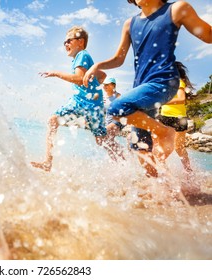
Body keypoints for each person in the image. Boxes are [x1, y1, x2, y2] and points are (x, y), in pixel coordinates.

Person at [82, 0, 211, 176]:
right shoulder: (130, 24)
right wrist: (98, 65)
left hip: (164, 81)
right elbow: (119, 59)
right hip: (142, 87)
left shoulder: (176, 9)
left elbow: (208, 35)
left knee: (117, 108)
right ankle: (157, 189)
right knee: (140, 147)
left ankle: (165, 132)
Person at [31, 26, 107, 172]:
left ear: (80, 42)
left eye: (69, 41)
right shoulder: (83, 57)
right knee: (102, 140)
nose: (65, 44)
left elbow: (78, 79)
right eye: (64, 42)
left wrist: (56, 73)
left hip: (80, 101)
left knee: (53, 121)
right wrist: (93, 85)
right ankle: (123, 160)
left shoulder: (82, 55)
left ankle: (48, 162)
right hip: (94, 104)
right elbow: (102, 75)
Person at [157, 61, 193, 173]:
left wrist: (164, 101)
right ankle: (164, 174)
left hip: (178, 119)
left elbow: (182, 99)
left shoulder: (179, 82)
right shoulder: (166, 84)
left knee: (179, 148)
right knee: (159, 147)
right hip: (164, 117)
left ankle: (189, 172)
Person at [102, 77, 125, 160]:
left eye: (107, 84)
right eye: (104, 85)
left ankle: (121, 154)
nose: (105, 86)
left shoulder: (118, 96)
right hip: (107, 121)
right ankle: (119, 160)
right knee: (106, 142)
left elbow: (124, 109)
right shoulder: (103, 98)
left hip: (117, 120)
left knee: (104, 136)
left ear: (113, 85)